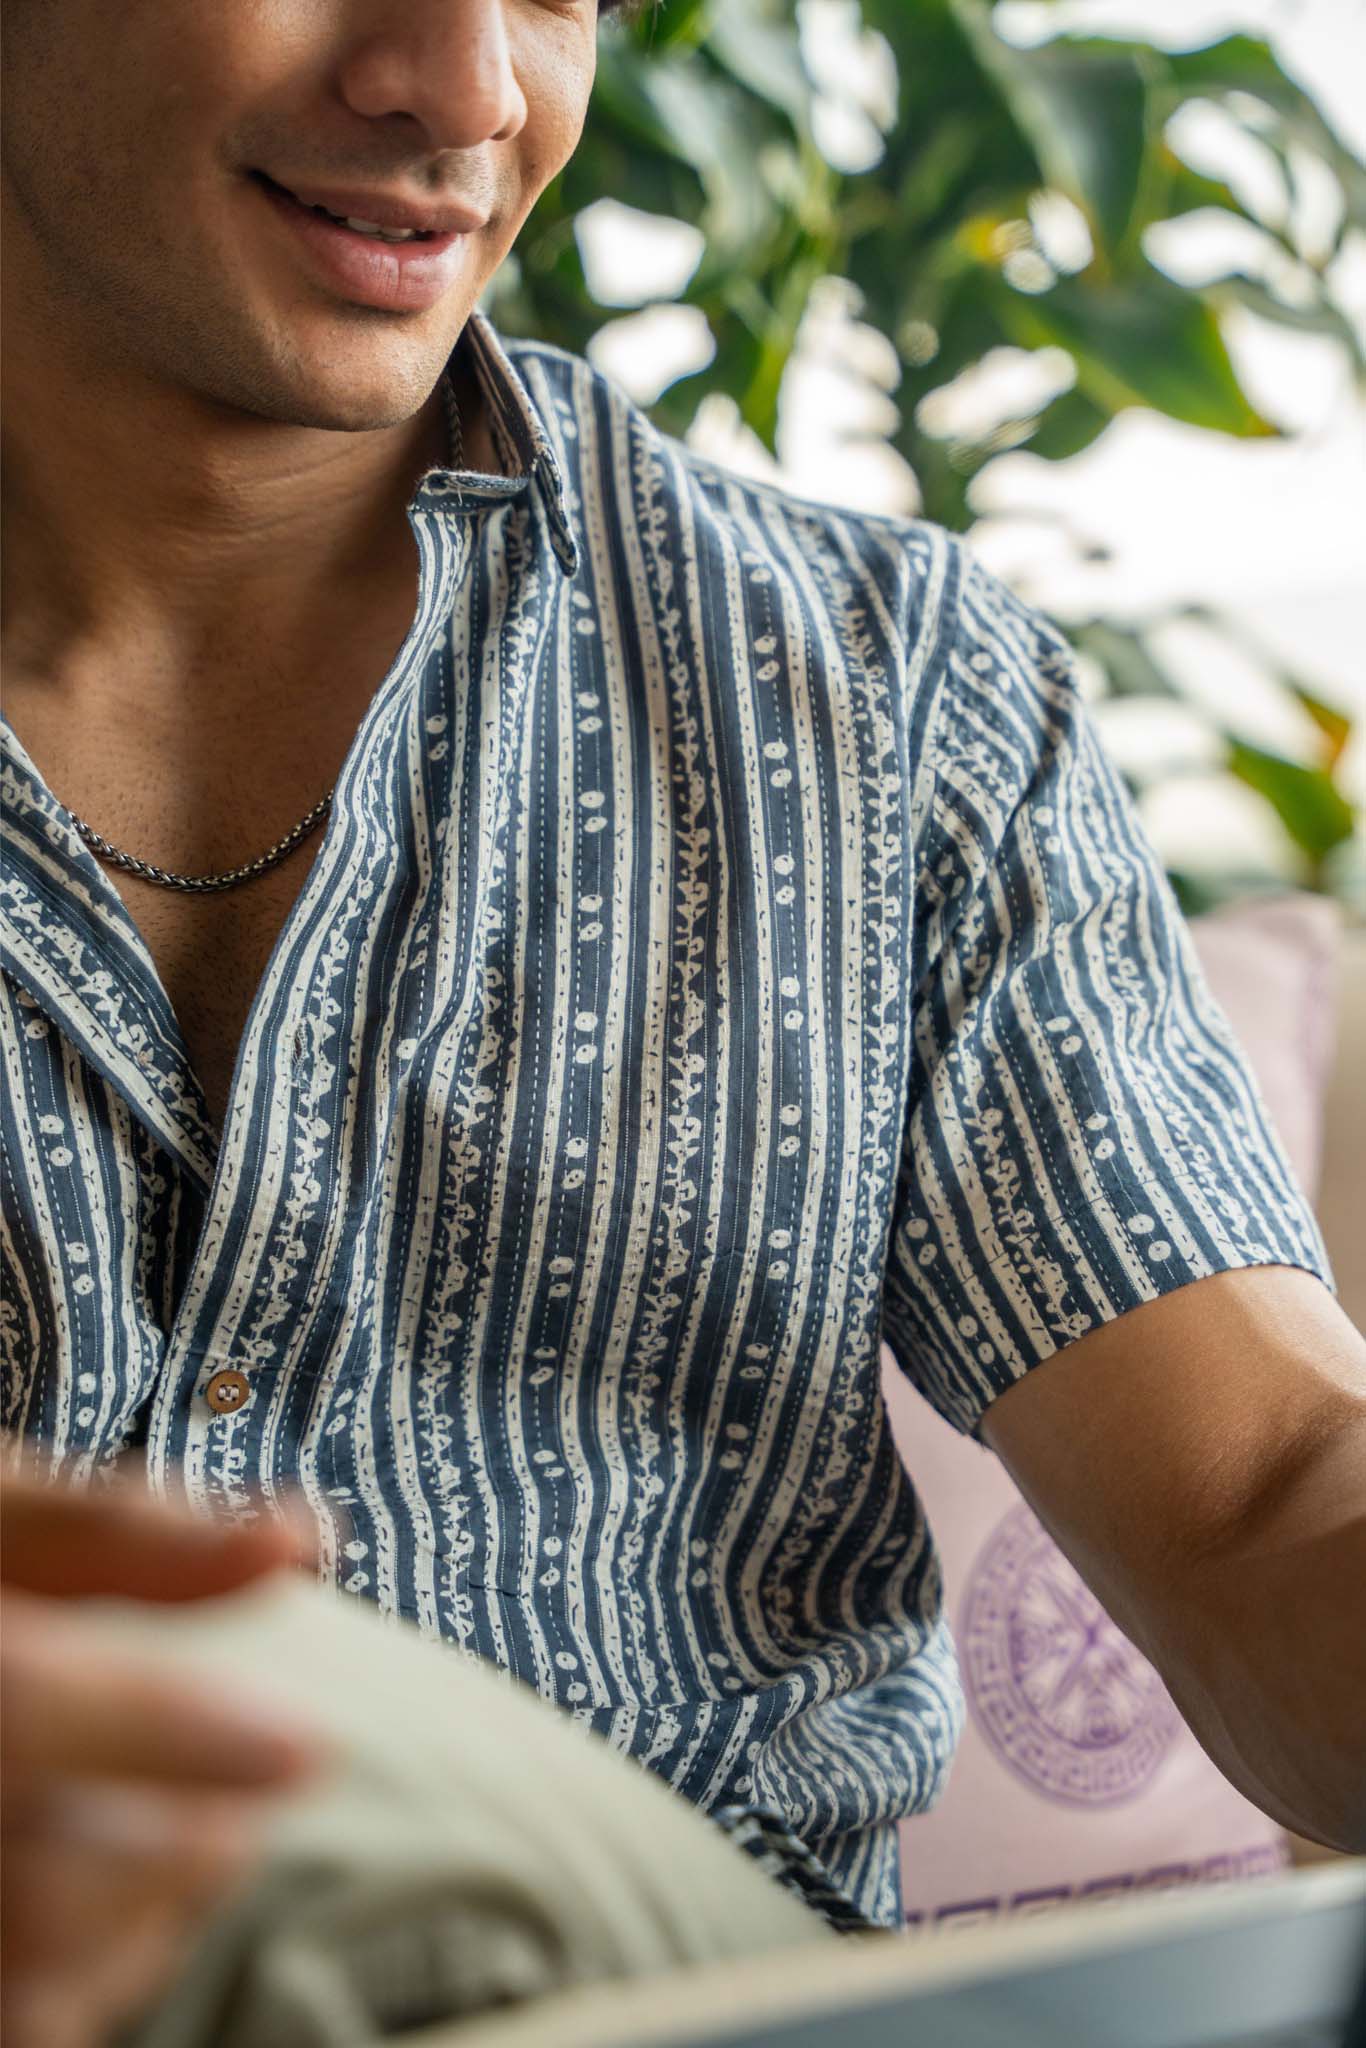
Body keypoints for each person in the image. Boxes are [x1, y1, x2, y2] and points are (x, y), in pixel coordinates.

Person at [2, 0, 1364, 2039]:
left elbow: (1257, 1495)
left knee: (230, 1744)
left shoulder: (890, 701)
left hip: (692, 2001)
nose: (462, 90)